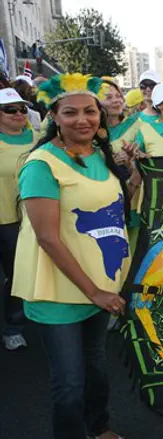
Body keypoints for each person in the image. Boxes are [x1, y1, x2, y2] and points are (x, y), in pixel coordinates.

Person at [13, 73, 135, 439]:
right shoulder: (41, 165)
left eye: (89, 111)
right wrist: (94, 292)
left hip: (100, 283)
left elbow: (111, 206)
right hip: (59, 291)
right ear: (54, 117)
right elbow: (48, 238)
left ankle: (99, 428)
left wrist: (133, 174)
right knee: (69, 384)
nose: (82, 119)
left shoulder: (100, 155)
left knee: (96, 368)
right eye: (70, 113)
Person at [0, 88, 38, 351]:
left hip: (30, 218)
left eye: (22, 108)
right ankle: (11, 325)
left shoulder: (39, 139)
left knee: (26, 272)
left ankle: (20, 324)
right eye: (10, 109)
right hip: (4, 217)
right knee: (11, 274)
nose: (18, 114)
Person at [101, 78, 141, 154]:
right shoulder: (91, 132)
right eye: (108, 97)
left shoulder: (137, 124)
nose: (116, 100)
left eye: (118, 96)